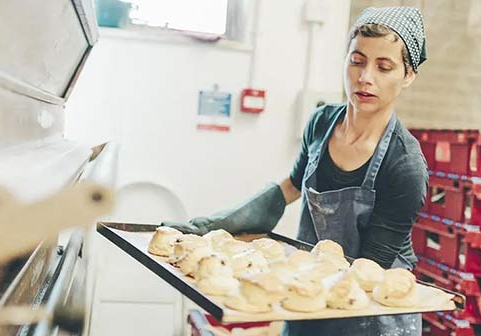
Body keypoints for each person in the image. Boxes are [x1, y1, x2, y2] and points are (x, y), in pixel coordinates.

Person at [163, 6, 428, 336]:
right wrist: (214, 226)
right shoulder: (322, 123)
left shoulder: (404, 165)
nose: (365, 77)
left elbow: (370, 271)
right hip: (310, 297)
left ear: (408, 75)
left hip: (369, 311)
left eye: (383, 67)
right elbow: (291, 186)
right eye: (357, 61)